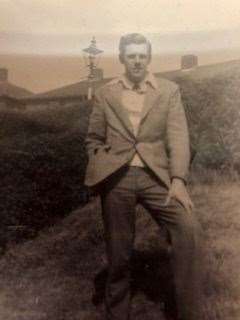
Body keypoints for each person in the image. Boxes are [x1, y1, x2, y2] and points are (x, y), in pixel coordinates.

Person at [84, 33, 203, 320]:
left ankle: (188, 313)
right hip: (118, 178)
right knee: (119, 253)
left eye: (142, 55)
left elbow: (178, 137)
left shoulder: (168, 90)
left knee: (188, 229)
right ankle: (118, 314)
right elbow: (93, 138)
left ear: (148, 58)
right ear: (122, 58)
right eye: (131, 55)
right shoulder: (105, 93)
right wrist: (102, 165)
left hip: (156, 177)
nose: (137, 61)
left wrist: (178, 181)